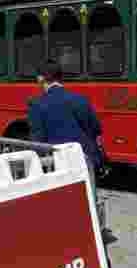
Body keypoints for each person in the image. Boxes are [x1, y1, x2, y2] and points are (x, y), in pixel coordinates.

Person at [29, 61, 104, 199]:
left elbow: (37, 140)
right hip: (85, 161)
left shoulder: (37, 104)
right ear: (60, 77)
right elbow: (96, 129)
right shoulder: (80, 99)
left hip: (59, 166)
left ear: (41, 79)